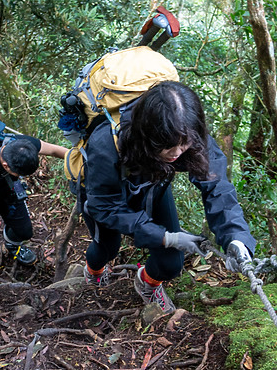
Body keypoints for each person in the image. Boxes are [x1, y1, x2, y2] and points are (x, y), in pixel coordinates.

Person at [81, 81, 256, 313]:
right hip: (107, 197)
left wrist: (236, 238)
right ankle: (94, 271)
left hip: (153, 186)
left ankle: (147, 283)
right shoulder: (106, 143)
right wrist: (167, 237)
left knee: (171, 264)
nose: (176, 154)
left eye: (183, 145)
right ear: (146, 134)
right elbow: (105, 206)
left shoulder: (188, 130)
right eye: (166, 146)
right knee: (106, 249)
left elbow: (217, 186)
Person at [0, 135, 67, 277]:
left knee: (24, 231)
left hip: (9, 189)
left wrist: (80, 159)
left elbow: (54, 150)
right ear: (6, 166)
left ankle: (11, 244)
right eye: (19, 173)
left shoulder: (24, 145)